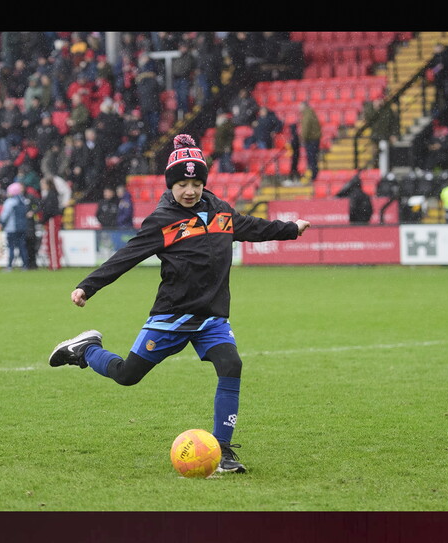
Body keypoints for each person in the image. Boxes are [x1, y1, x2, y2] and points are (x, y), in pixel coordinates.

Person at [48, 134, 312, 475]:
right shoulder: (162, 220)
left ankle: (225, 451)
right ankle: (85, 350)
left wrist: (290, 228)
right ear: (171, 185)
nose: (190, 190)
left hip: (211, 318)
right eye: (183, 184)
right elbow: (126, 256)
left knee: (231, 365)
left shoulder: (220, 211)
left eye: (196, 183)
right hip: (171, 317)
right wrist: (88, 286)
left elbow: (252, 227)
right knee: (128, 376)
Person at [0, 182, 32, 271]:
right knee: (22, 246)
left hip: (11, 228)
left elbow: (4, 215)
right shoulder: (23, 200)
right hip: (22, 227)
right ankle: (25, 265)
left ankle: (10, 265)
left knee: (11, 247)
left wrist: (2, 223)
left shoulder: (10, 202)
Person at [38, 176, 64, 271]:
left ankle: (54, 264)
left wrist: (43, 220)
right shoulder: (51, 194)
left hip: (52, 219)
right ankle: (53, 263)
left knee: (52, 242)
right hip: (51, 219)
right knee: (51, 242)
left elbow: (49, 210)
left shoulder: (51, 194)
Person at [299, 101, 322, 181]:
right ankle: (313, 174)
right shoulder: (310, 113)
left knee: (311, 159)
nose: (299, 108)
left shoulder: (307, 115)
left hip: (311, 140)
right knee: (313, 158)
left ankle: (313, 176)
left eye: (300, 106)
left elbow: (305, 128)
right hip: (314, 139)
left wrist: (303, 138)